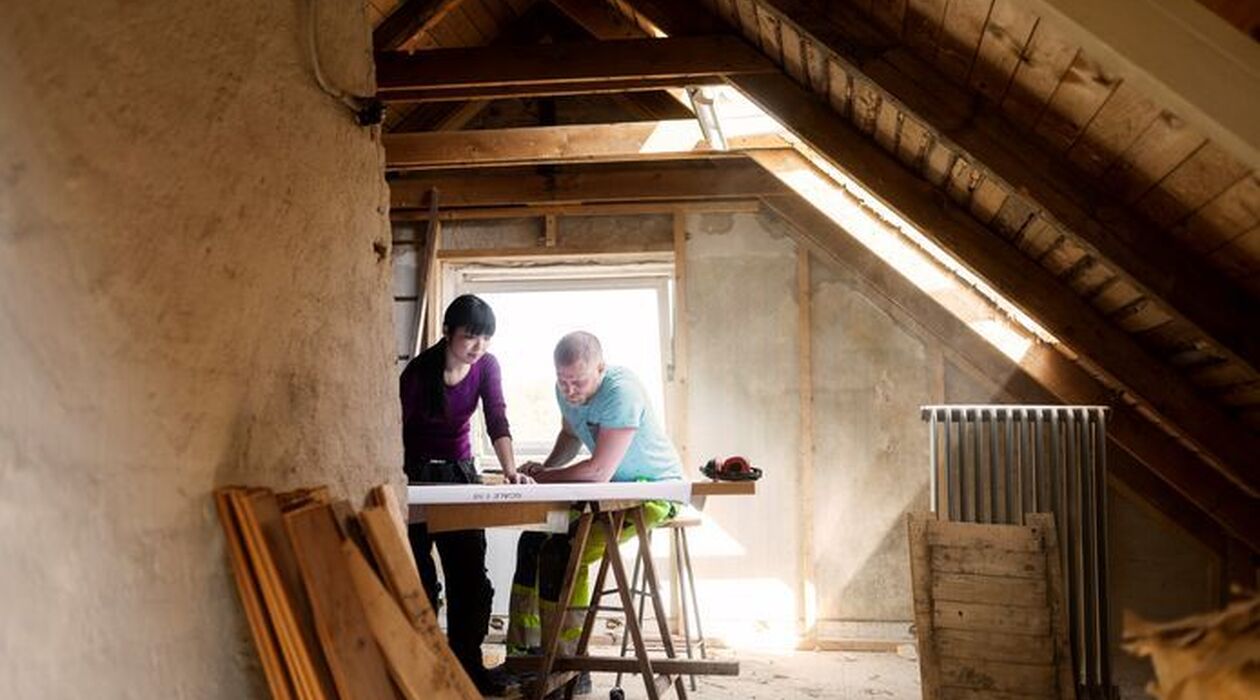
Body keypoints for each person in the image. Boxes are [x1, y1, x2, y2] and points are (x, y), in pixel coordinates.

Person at [506, 331, 683, 674]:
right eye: (562, 381)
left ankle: (569, 662)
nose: (570, 390)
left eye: (578, 382)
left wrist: (542, 480)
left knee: (570, 548)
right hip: (610, 491)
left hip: (652, 493)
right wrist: (547, 466)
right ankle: (525, 654)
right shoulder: (566, 391)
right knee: (532, 540)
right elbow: (572, 434)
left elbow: (598, 470)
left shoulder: (622, 392)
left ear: (601, 368)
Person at [400, 294, 530, 696]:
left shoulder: (486, 366)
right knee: (420, 579)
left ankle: (468, 668)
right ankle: (425, 671)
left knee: (471, 580)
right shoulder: (417, 374)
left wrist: (511, 471)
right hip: (415, 476)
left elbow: (497, 417)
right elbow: (394, 433)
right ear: (447, 332)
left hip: (461, 475)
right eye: (471, 337)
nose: (478, 347)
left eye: (486, 339)